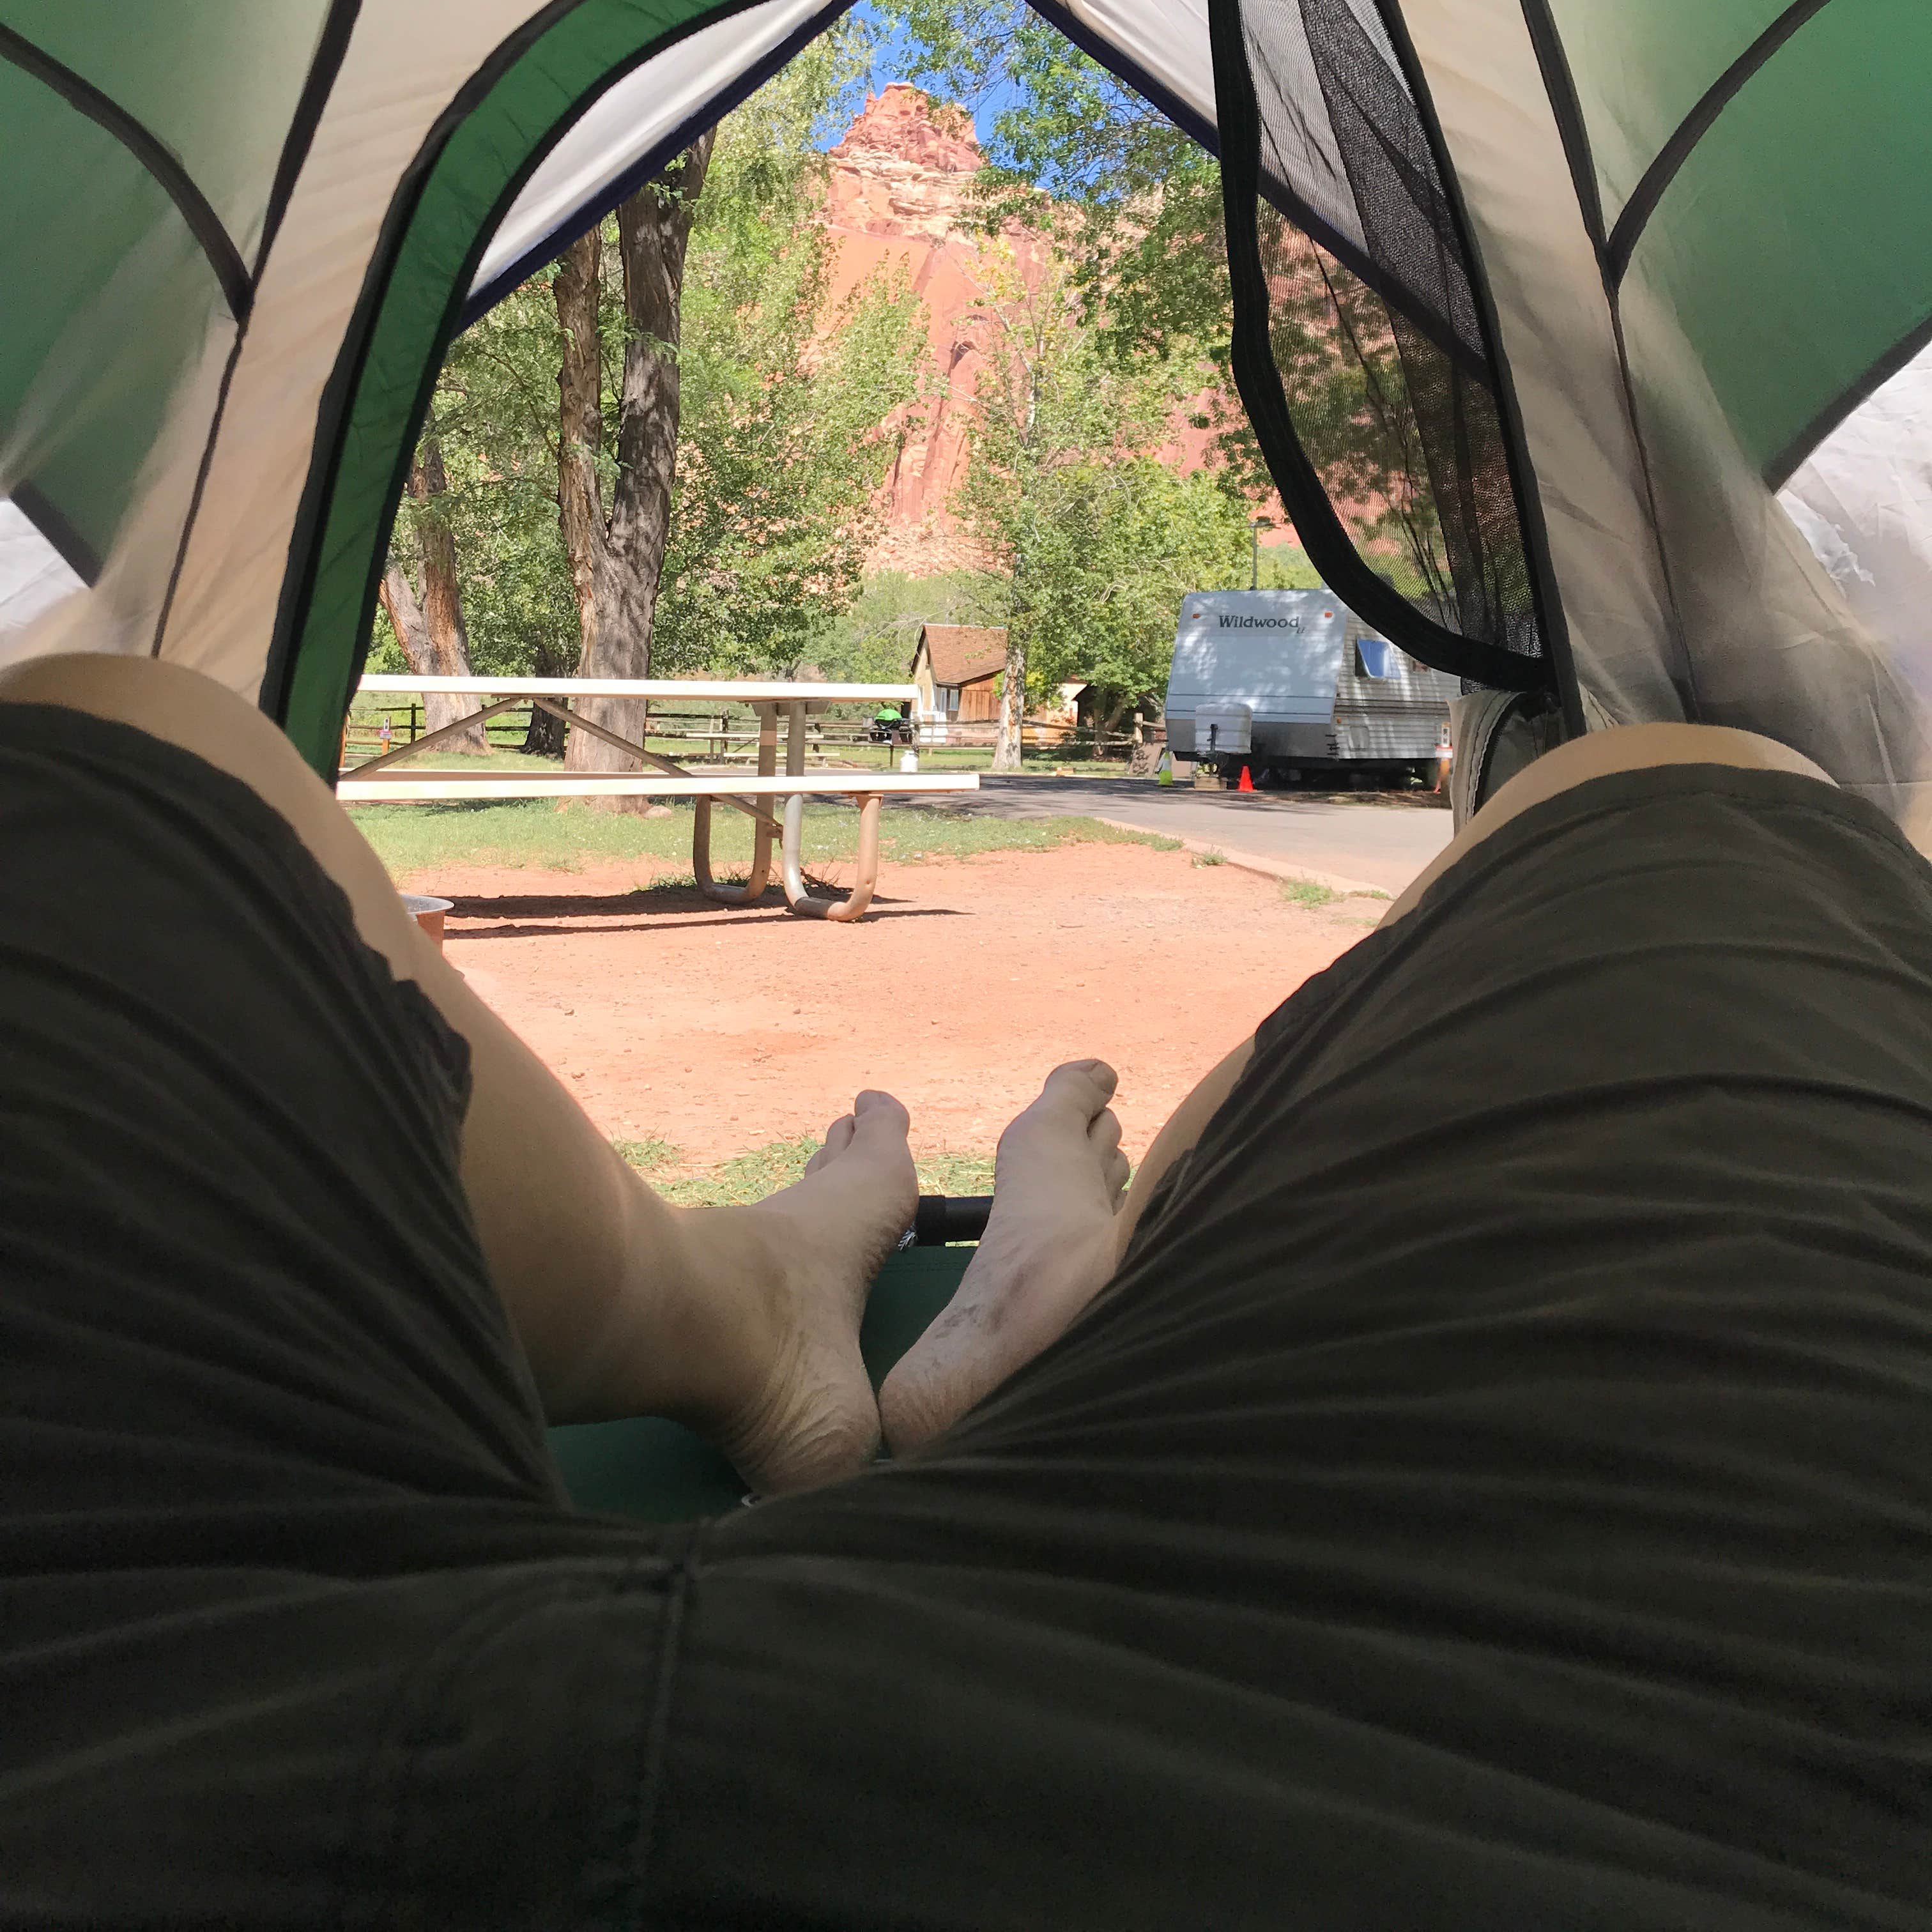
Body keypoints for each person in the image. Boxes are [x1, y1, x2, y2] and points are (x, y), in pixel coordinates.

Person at [2, 653, 1928, 1925]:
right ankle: (1094, 1302)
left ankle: (754, 1304)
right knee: (1685, 797)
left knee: (120, 761)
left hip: (116, 1720)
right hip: (1500, 1785)